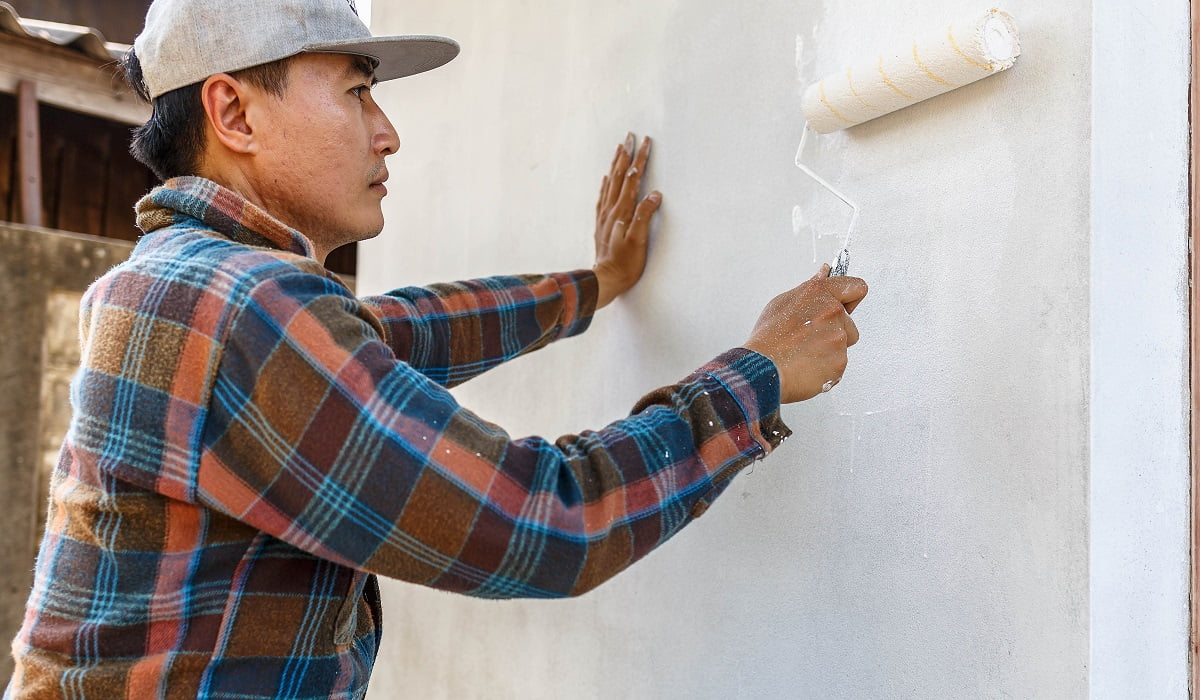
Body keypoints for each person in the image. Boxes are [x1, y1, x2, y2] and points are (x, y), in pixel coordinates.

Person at [5, 0, 868, 697]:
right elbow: (547, 522)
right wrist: (755, 379)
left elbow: (400, 330)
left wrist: (597, 283)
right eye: (355, 92)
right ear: (232, 111)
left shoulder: (178, 279)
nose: (388, 133)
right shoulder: (243, 305)